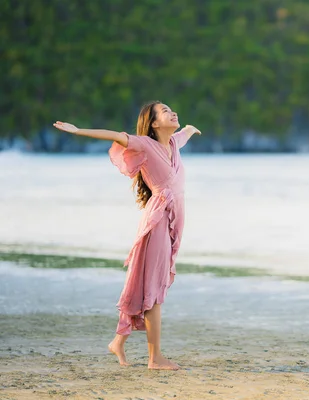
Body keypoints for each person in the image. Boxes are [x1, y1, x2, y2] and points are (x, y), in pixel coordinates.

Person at [53, 101, 202, 370]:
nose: (173, 113)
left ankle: (118, 342)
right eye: (166, 111)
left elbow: (183, 136)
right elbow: (114, 136)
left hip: (171, 222)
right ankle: (155, 358)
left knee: (149, 284)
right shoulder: (145, 144)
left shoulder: (173, 145)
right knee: (153, 290)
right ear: (155, 123)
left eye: (172, 109)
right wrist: (77, 131)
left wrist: (190, 129)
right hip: (157, 221)